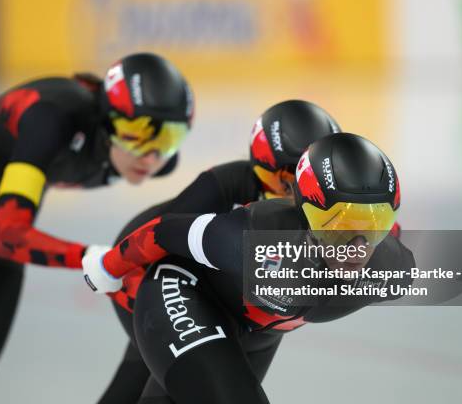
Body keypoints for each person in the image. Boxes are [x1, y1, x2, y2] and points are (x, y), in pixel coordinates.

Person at [0, 52, 193, 404]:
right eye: (135, 133)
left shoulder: (153, 161)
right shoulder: (56, 116)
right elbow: (9, 236)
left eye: (168, 137)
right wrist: (96, 260)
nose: (150, 156)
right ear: (107, 119)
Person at [84, 133, 414, 403]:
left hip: (258, 328)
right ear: (306, 211)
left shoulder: (392, 268)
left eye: (375, 225)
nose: (357, 246)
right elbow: (164, 231)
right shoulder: (254, 237)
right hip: (185, 292)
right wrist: (109, 267)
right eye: (338, 225)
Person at [94, 100, 341, 403]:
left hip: (242, 308)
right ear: (260, 167)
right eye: (288, 179)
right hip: (148, 269)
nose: (298, 193)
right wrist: (111, 268)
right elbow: (162, 235)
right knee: (153, 373)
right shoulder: (226, 182)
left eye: (310, 181)